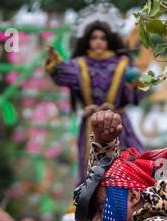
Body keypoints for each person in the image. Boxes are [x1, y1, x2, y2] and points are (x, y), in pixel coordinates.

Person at [45, 18, 148, 177]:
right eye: (94, 38)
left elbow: (136, 96)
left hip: (117, 123)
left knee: (124, 167)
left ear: (109, 40)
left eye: (102, 38)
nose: (98, 42)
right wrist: (55, 65)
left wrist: (135, 84)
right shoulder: (78, 65)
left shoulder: (123, 64)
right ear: (87, 41)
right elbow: (60, 75)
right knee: (92, 173)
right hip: (90, 126)